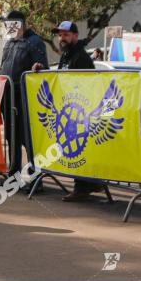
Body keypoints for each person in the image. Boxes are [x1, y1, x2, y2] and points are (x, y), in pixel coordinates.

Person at [51, 21, 104, 202]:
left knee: (79, 149)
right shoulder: (66, 55)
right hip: (70, 108)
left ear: (75, 35)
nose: (62, 38)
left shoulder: (80, 56)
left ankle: (83, 187)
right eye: (60, 35)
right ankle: (93, 183)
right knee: (79, 149)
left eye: (65, 35)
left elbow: (86, 84)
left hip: (81, 110)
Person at [0, 10, 49, 185]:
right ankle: (13, 176)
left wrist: (38, 67)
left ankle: (36, 180)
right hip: (8, 97)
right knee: (12, 138)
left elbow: (43, 70)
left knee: (28, 139)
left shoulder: (34, 42)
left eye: (9, 24)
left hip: (25, 99)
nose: (7, 27)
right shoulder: (9, 43)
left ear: (19, 24)